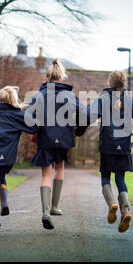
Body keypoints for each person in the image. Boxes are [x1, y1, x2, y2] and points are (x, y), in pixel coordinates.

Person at [76, 70, 133, 233]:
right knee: (120, 179)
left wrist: (78, 129)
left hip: (107, 146)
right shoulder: (129, 100)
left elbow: (87, 114)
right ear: (123, 84)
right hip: (124, 147)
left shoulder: (103, 99)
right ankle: (125, 210)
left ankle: (112, 204)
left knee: (105, 177)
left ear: (109, 83)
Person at [27, 59, 85, 230]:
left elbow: (28, 118)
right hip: (64, 138)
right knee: (59, 169)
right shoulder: (69, 96)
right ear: (61, 78)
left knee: (46, 174)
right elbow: (84, 113)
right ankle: (54, 207)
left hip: (45, 138)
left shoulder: (38, 95)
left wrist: (36, 127)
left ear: (47, 78)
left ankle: (45, 212)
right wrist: (77, 129)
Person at [0, 86, 38, 235]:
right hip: (8, 158)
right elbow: (34, 126)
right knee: (0, 175)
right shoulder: (17, 115)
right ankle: (4, 203)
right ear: (13, 100)